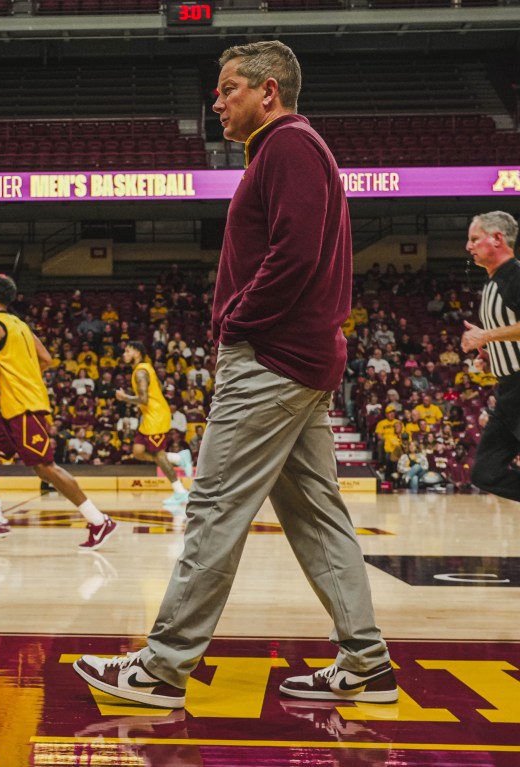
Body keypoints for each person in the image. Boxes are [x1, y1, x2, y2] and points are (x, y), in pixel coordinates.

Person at [73, 41, 395, 709]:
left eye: (228, 89)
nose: (216, 102)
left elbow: (295, 250)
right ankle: (366, 663)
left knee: (215, 507)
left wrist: (238, 323)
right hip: (297, 360)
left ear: (268, 91)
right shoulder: (290, 149)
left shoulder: (288, 147)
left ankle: (162, 667)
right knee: (317, 518)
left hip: (271, 358)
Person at [0, 273, 114, 549]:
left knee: (46, 468)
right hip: (12, 408)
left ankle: (98, 520)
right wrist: (13, 379)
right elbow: (46, 359)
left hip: (25, 408)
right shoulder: (20, 325)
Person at [460, 211, 520, 501]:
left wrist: (486, 336)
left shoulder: (516, 276)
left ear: (497, 238)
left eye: (474, 239)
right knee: (486, 472)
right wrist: (492, 350)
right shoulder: (492, 284)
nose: (468, 247)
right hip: (508, 391)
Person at [115, 341, 194, 509]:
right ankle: (178, 458)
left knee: (158, 455)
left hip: (155, 417)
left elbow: (143, 398)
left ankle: (179, 490)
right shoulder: (146, 367)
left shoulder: (140, 373)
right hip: (150, 415)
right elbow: (158, 386)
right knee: (137, 451)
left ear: (137, 353)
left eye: (127, 351)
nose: (124, 354)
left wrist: (124, 398)